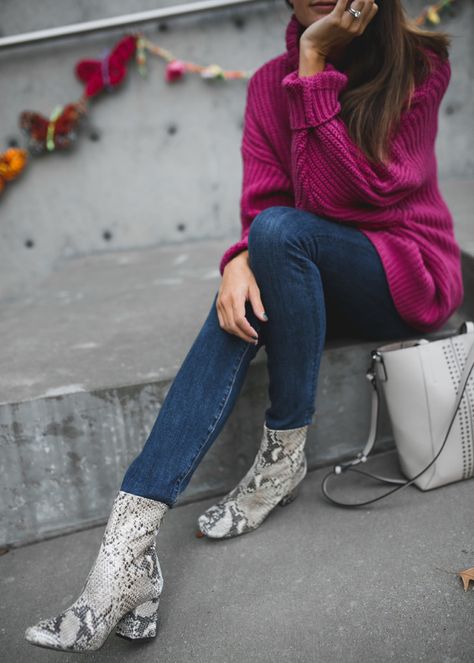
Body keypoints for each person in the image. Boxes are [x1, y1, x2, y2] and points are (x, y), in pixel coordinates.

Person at [24, 0, 464, 652]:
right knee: (249, 279)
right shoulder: (266, 85)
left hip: (405, 271)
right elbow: (265, 202)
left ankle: (281, 458)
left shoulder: (420, 65)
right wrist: (236, 264)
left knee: (280, 233)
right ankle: (126, 555)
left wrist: (313, 66)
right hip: (310, 266)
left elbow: (362, 196)